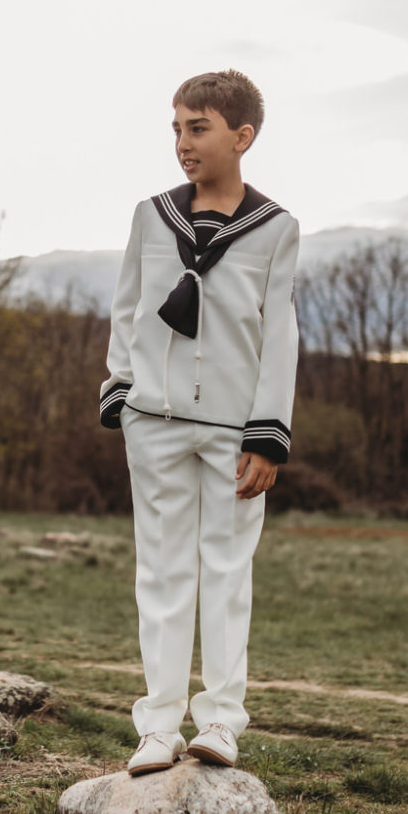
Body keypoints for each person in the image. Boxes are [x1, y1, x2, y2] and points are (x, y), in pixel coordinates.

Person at [99, 69, 301, 774]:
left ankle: (218, 721)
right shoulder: (151, 215)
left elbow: (279, 334)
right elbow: (127, 306)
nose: (183, 142)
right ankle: (156, 726)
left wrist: (268, 433)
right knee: (161, 572)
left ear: (242, 136)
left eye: (199, 127)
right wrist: (119, 390)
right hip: (152, 422)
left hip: (231, 431)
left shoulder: (275, 229)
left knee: (225, 571)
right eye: (177, 126)